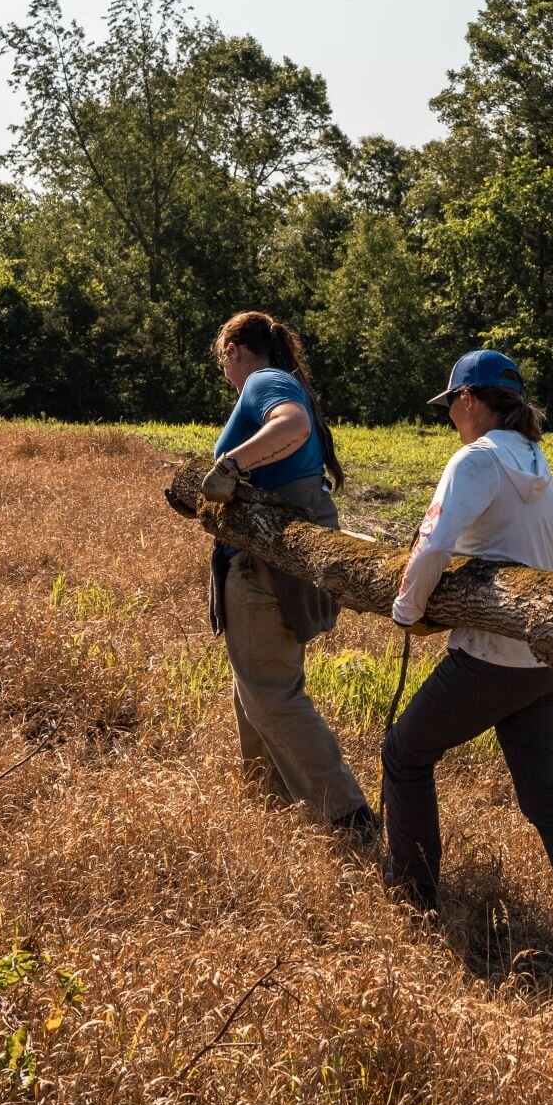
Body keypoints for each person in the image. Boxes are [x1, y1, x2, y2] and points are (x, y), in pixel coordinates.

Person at [382, 349, 553, 925]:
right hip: (548, 656)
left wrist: (407, 611)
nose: (450, 415)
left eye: (451, 403)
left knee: (405, 753)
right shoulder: (534, 456)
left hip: (492, 655)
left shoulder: (475, 460)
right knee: (547, 799)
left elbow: (433, 544)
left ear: (470, 399)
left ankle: (413, 902)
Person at [200, 310, 375, 837]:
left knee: (272, 695)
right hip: (271, 566)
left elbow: (291, 426)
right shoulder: (278, 380)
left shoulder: (264, 381)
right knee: (254, 687)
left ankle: (349, 815)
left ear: (232, 350)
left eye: (221, 358)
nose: (224, 369)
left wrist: (228, 466)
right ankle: (269, 804)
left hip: (262, 570)